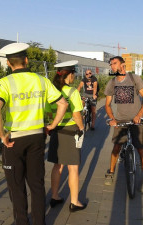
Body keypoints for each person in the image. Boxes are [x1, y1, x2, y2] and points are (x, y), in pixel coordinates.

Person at [0, 43, 68, 225]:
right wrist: (52, 125)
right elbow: (62, 104)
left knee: (16, 187)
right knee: (37, 184)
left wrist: (2, 136)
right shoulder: (41, 80)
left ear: (9, 64)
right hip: (37, 137)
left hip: (14, 140)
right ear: (26, 60)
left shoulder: (4, 83)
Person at [104, 56, 143, 185]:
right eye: (111, 64)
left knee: (141, 148)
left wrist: (139, 115)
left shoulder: (134, 79)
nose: (112, 66)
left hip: (136, 119)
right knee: (116, 147)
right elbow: (107, 105)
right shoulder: (112, 83)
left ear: (122, 64)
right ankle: (111, 172)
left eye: (115, 63)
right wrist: (112, 119)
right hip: (120, 120)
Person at [47, 60, 87, 212]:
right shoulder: (72, 92)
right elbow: (77, 114)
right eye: (73, 74)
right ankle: (75, 202)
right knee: (73, 168)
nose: (74, 77)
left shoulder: (51, 91)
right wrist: (82, 129)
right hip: (70, 131)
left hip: (56, 130)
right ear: (69, 75)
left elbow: (49, 111)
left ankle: (55, 196)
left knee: (58, 165)